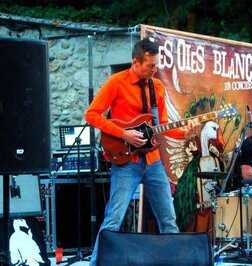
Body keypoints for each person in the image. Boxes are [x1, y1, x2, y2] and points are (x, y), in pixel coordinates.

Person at [85, 38, 184, 265]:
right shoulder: (116, 82)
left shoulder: (157, 86)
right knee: (114, 219)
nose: (155, 69)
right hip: (126, 162)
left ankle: (179, 261)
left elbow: (163, 126)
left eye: (157, 65)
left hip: (153, 161)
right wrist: (124, 134)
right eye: (151, 65)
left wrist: (187, 132)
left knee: (168, 218)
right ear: (135, 62)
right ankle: (95, 263)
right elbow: (91, 115)